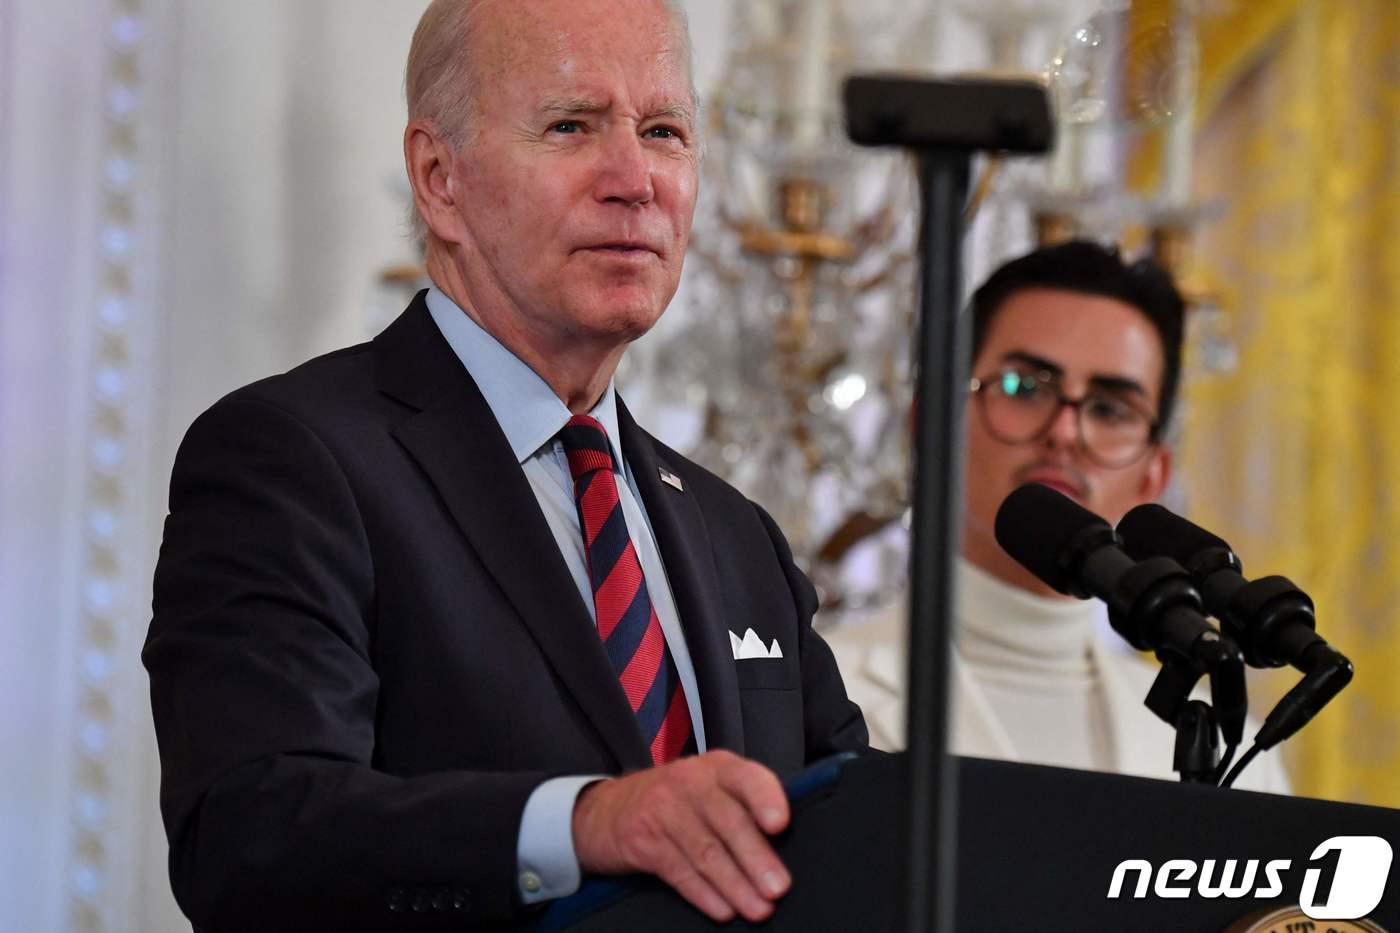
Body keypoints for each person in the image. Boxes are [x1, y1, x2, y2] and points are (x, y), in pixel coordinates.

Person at [141, 2, 868, 930]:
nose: (635, 180)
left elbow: (858, 834)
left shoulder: (738, 536)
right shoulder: (294, 460)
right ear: (439, 179)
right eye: (571, 126)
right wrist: (583, 824)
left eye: (663, 131)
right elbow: (250, 836)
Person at [825, 240, 1289, 792]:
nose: (1064, 434)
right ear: (931, 423)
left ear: (1154, 476)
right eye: (1024, 388)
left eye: (1111, 408)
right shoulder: (815, 692)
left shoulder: (1233, 751)